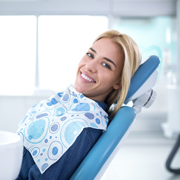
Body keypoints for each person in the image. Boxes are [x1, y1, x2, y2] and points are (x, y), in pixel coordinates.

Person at [16, 30, 142, 180]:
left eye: (105, 65)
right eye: (90, 55)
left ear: (119, 82)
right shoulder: (65, 100)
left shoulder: (80, 128)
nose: (89, 66)